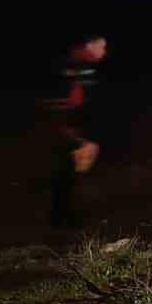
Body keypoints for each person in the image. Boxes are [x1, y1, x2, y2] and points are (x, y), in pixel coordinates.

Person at [40, 33, 107, 228]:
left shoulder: (80, 65)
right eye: (101, 46)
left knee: (66, 172)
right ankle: (61, 218)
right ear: (90, 45)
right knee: (65, 172)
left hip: (67, 126)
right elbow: (74, 98)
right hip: (64, 127)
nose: (104, 51)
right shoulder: (80, 65)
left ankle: (62, 215)